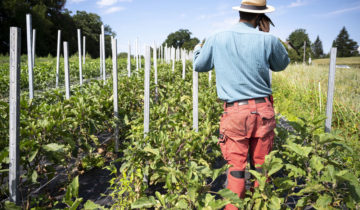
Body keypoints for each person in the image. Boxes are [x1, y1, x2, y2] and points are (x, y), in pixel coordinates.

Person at [193, 0, 290, 209]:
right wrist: (266, 36)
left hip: (235, 112)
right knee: (262, 167)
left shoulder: (217, 37)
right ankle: (261, 204)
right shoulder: (269, 40)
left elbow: (199, 65)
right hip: (263, 110)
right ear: (261, 17)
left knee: (236, 167)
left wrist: (197, 49)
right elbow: (281, 64)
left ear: (241, 13)